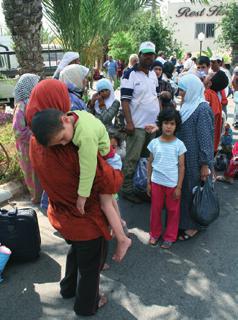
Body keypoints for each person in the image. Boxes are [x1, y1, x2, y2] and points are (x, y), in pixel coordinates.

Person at [25, 79, 123, 316]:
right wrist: (116, 172)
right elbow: (106, 180)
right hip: (85, 217)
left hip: (61, 213)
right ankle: (87, 305)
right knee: (90, 267)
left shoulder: (36, 140)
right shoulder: (71, 146)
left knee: (75, 251)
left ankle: (67, 288)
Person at [31, 108, 131, 262]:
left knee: (106, 204)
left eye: (63, 138)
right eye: (58, 143)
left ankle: (122, 239)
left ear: (65, 119)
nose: (63, 144)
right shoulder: (73, 117)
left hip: (110, 160)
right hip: (107, 155)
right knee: (110, 200)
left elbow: (88, 169)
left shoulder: (85, 137)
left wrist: (82, 196)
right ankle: (120, 223)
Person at [120, 41, 160, 203]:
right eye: (145, 54)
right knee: (132, 159)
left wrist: (161, 119)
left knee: (146, 159)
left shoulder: (153, 75)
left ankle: (141, 185)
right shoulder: (129, 74)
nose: (149, 57)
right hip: (136, 126)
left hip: (152, 126)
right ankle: (127, 189)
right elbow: (125, 100)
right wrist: (129, 123)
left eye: (151, 54)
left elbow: (156, 97)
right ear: (140, 55)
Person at [177, 74, 214, 240]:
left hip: (197, 160)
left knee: (194, 192)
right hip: (186, 158)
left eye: (183, 90)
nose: (180, 93)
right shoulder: (187, 106)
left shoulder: (202, 109)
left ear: (191, 90)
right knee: (186, 190)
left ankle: (195, 225)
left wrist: (205, 164)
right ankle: (186, 221)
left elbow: (206, 139)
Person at [147, 108, 186, 249]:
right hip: (156, 182)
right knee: (155, 210)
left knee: (173, 211)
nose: (169, 126)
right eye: (166, 123)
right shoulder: (154, 143)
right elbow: (150, 163)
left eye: (172, 124)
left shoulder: (179, 145)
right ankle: (155, 234)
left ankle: (170, 236)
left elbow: (182, 167)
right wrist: (148, 183)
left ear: (176, 126)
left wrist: (179, 187)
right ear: (160, 124)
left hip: (172, 184)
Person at [12, 73, 42, 203]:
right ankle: (36, 197)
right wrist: (35, 134)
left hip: (34, 143)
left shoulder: (31, 101)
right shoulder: (22, 105)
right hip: (26, 146)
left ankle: (39, 196)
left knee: (37, 170)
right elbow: (18, 130)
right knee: (31, 170)